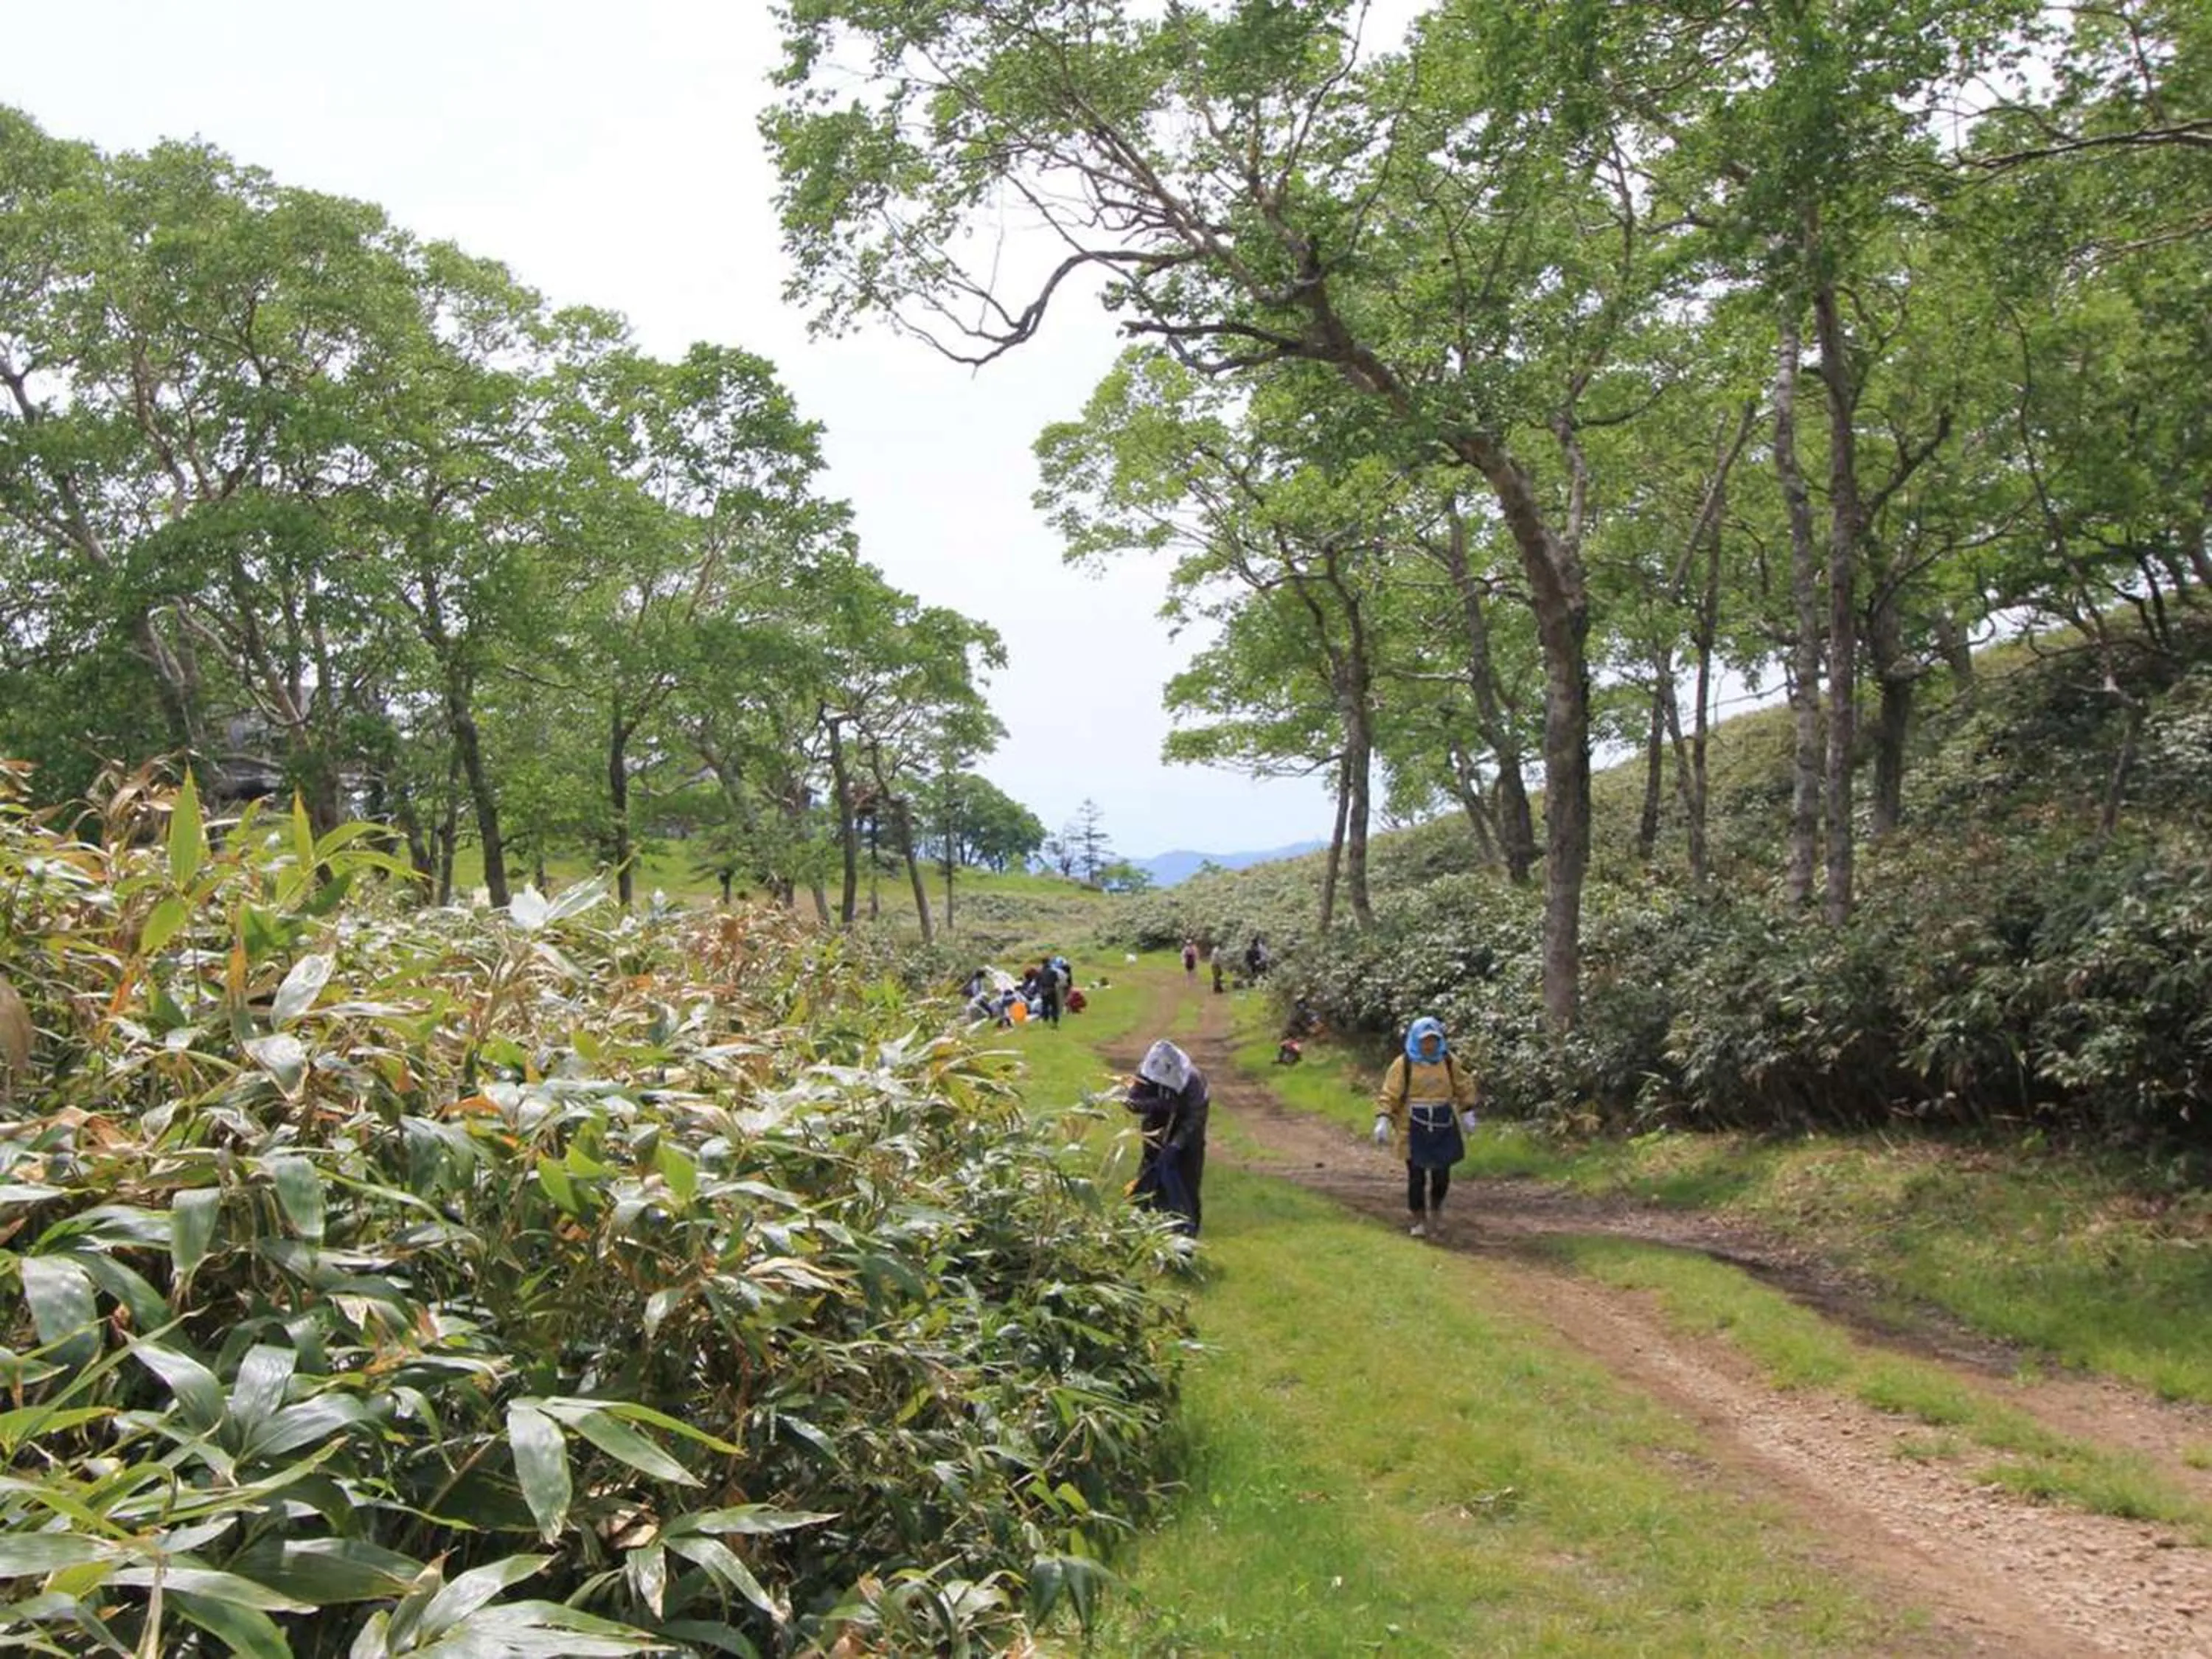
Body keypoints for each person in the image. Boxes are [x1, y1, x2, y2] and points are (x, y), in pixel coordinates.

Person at [1372, 1015, 1478, 1240]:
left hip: (1442, 1122)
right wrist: (1383, 1118)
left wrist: (1467, 1111)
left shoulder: (1448, 1061)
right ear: (1415, 1039)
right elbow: (1390, 1093)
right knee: (1417, 1175)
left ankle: (1436, 1211)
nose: (1429, 1045)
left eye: (1433, 1040)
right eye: (1424, 1041)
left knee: (1441, 1175)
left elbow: (1463, 1085)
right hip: (1412, 1125)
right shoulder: (1404, 1064)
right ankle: (1418, 1218)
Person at [1124, 1038, 1208, 1238]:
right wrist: (1158, 1104)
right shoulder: (1145, 1072)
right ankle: (1145, 1230)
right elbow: (1131, 1102)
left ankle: (1186, 1235)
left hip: (1188, 1139)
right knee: (1149, 1180)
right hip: (1155, 1132)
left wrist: (1176, 1145)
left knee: (1187, 1185)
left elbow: (1195, 1118)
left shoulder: (1194, 1082)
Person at [1036, 956, 1062, 1027]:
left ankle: (1045, 1019)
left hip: (1044, 990)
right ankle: (1055, 1020)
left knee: (1045, 1006)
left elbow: (1037, 982)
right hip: (1052, 990)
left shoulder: (1040, 972)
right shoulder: (1053, 972)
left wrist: (1040, 990)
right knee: (1054, 1006)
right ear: (1049, 962)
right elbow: (1057, 981)